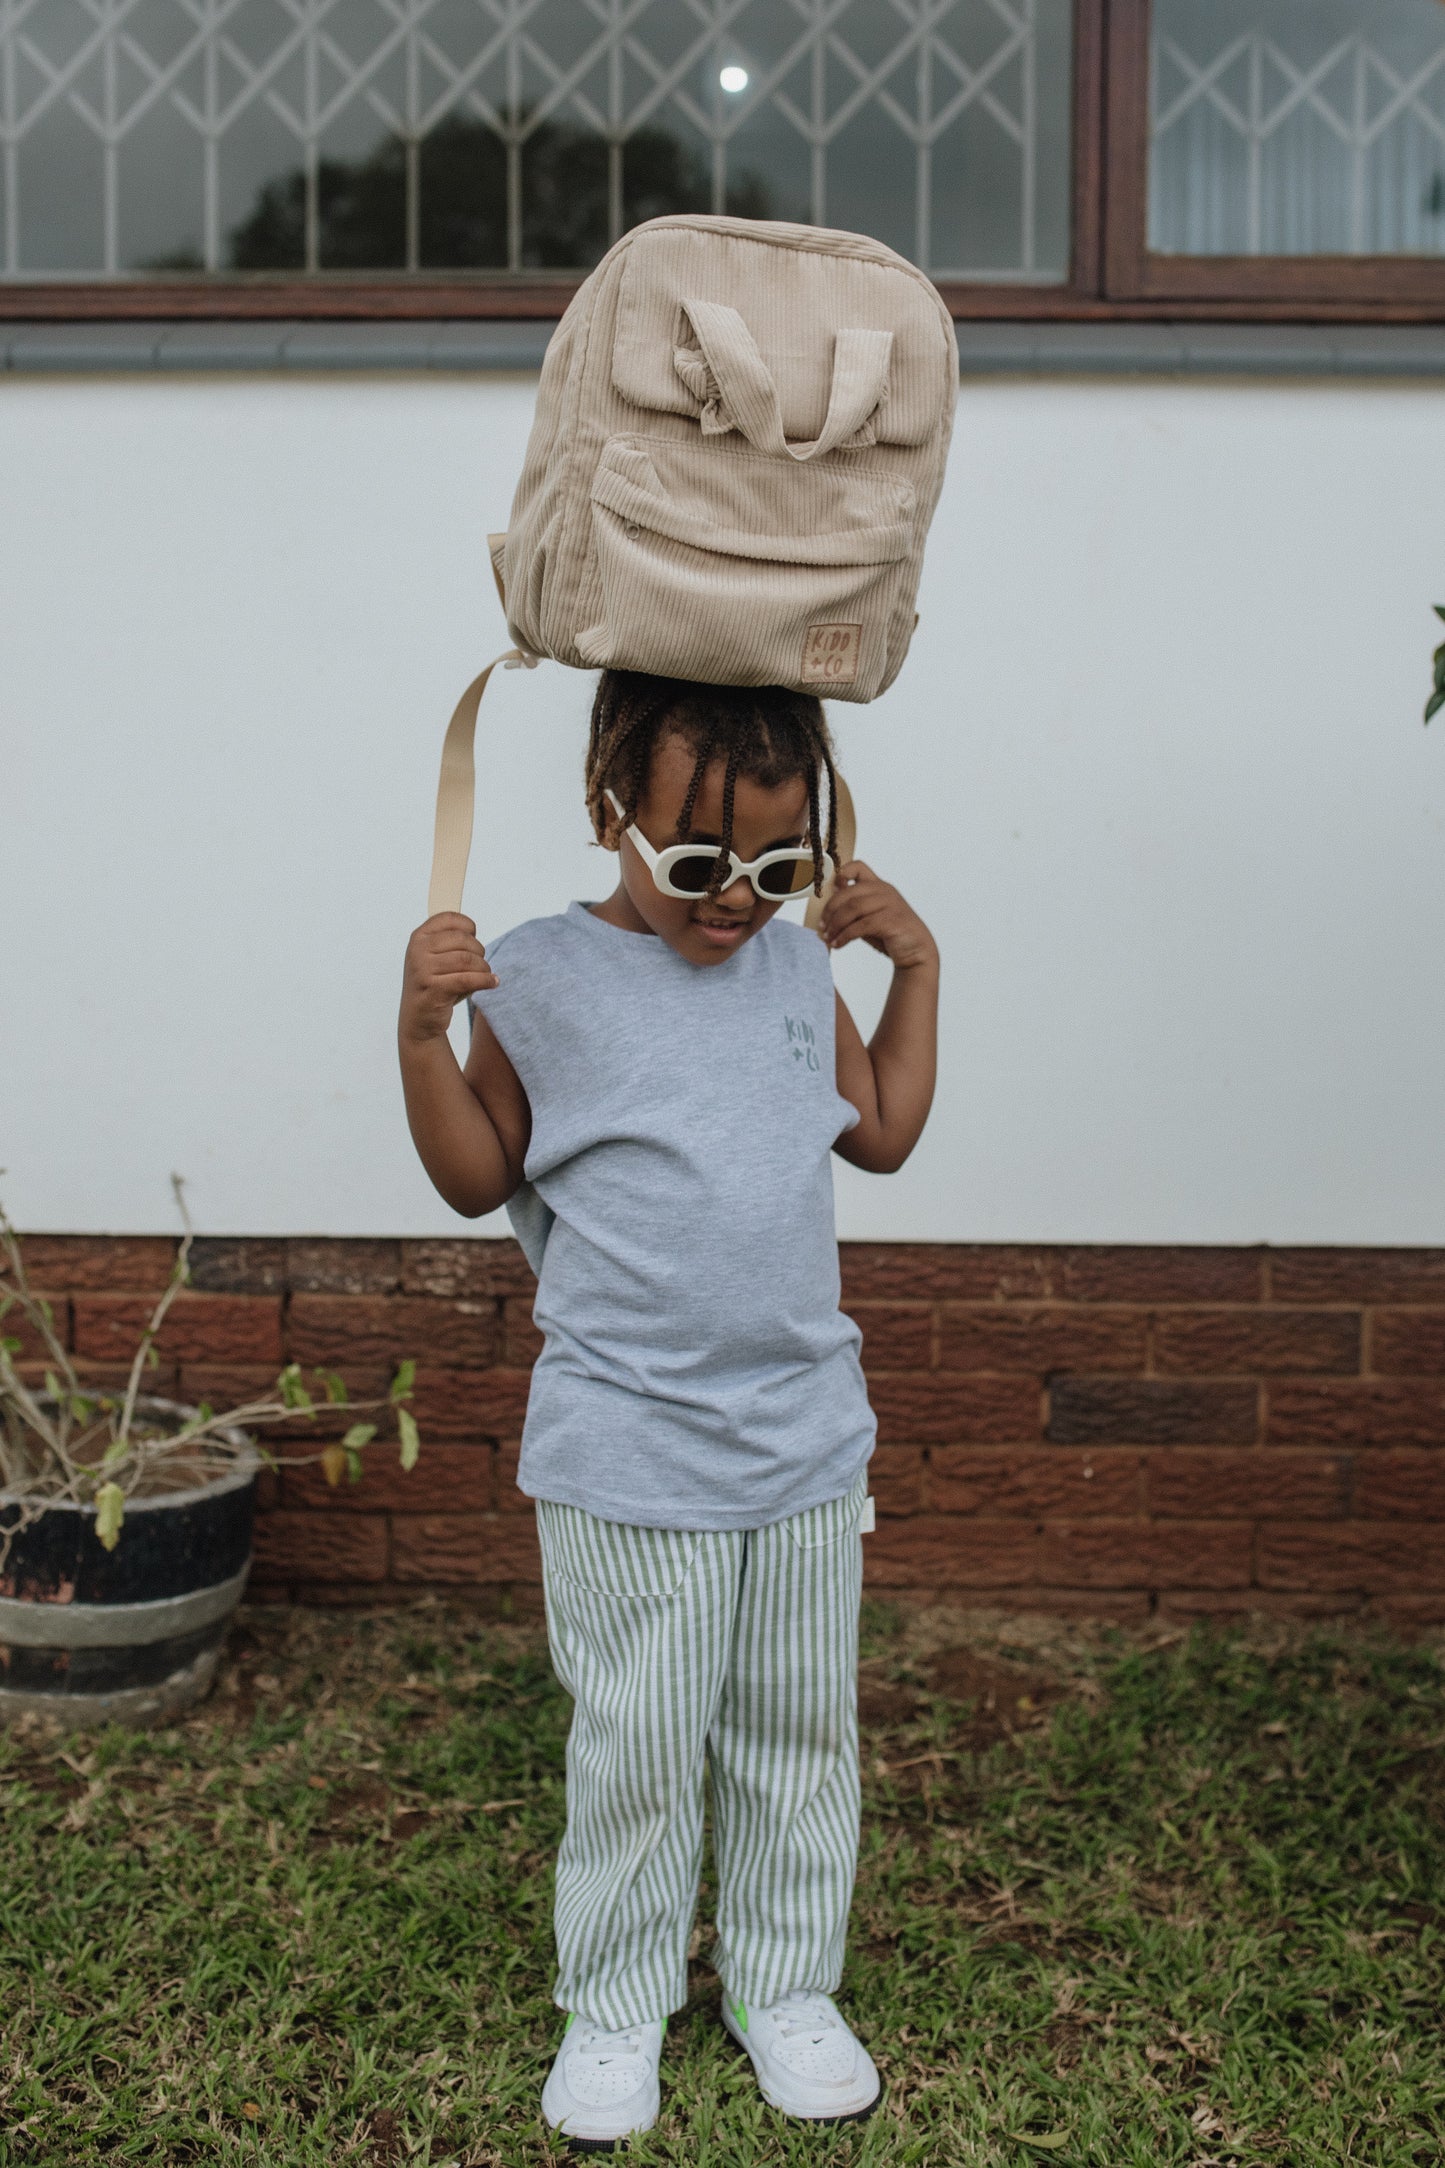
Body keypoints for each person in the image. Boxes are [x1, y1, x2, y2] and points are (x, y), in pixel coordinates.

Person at [398, 671, 939, 2149]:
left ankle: (784, 1985)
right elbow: (475, 1175)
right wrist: (421, 1038)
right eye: (699, 863)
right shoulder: (539, 977)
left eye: (780, 865)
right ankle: (618, 2000)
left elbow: (882, 1134)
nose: (738, 900)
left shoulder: (792, 972)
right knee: (637, 1745)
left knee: (796, 1735)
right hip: (628, 1446)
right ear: (608, 815)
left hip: (804, 1443)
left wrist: (915, 968)